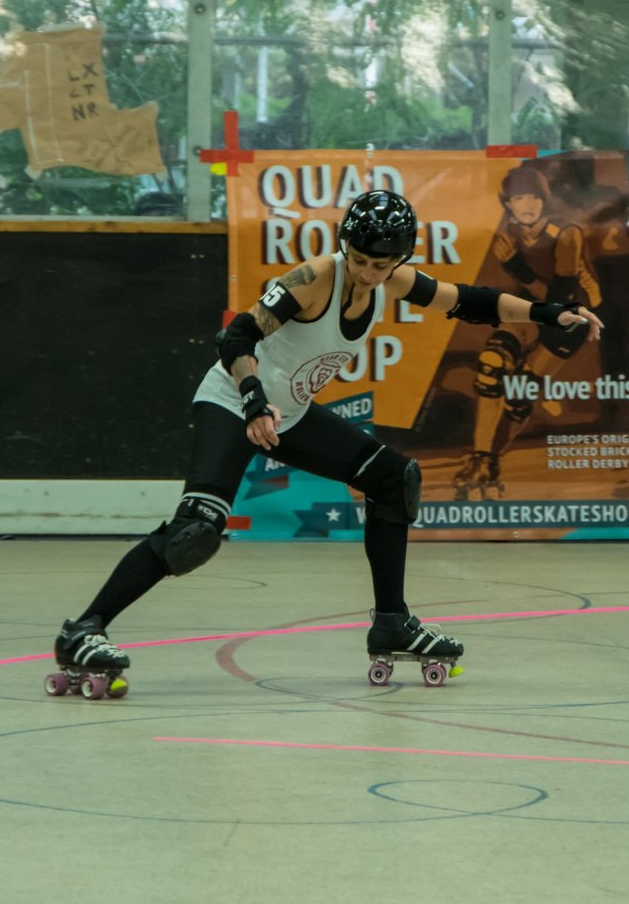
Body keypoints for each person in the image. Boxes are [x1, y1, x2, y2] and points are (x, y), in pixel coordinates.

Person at [52, 190, 604, 681]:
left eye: (380, 264)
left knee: (393, 478)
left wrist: (550, 314)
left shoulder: (394, 279)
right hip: (233, 403)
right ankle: (84, 629)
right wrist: (252, 400)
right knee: (195, 533)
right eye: (359, 259)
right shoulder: (316, 277)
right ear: (345, 247)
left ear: (400, 259)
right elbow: (238, 334)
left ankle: (391, 624)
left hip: (287, 414)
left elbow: (471, 301)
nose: (366, 272)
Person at [453, 165, 603, 499]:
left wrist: (515, 267)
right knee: (492, 364)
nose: (527, 204)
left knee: (520, 392)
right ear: (507, 203)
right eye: (519, 197)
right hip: (536, 306)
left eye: (534, 196)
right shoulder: (509, 230)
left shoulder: (566, 233)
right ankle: (482, 457)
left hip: (575, 315)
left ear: (544, 200)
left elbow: (559, 306)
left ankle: (490, 459)